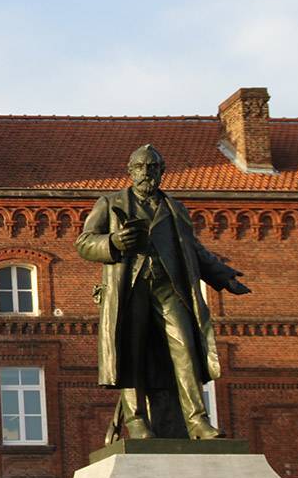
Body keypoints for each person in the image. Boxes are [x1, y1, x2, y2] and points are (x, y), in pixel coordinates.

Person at [75, 144, 251, 440]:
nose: (147, 174)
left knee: (186, 350)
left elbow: (192, 249)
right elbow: (84, 242)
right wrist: (114, 242)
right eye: (141, 168)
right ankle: (137, 421)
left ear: (161, 172)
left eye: (152, 168)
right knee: (132, 353)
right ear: (130, 171)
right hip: (129, 288)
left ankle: (197, 420)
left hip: (169, 288)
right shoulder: (110, 202)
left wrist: (223, 275)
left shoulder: (174, 207)